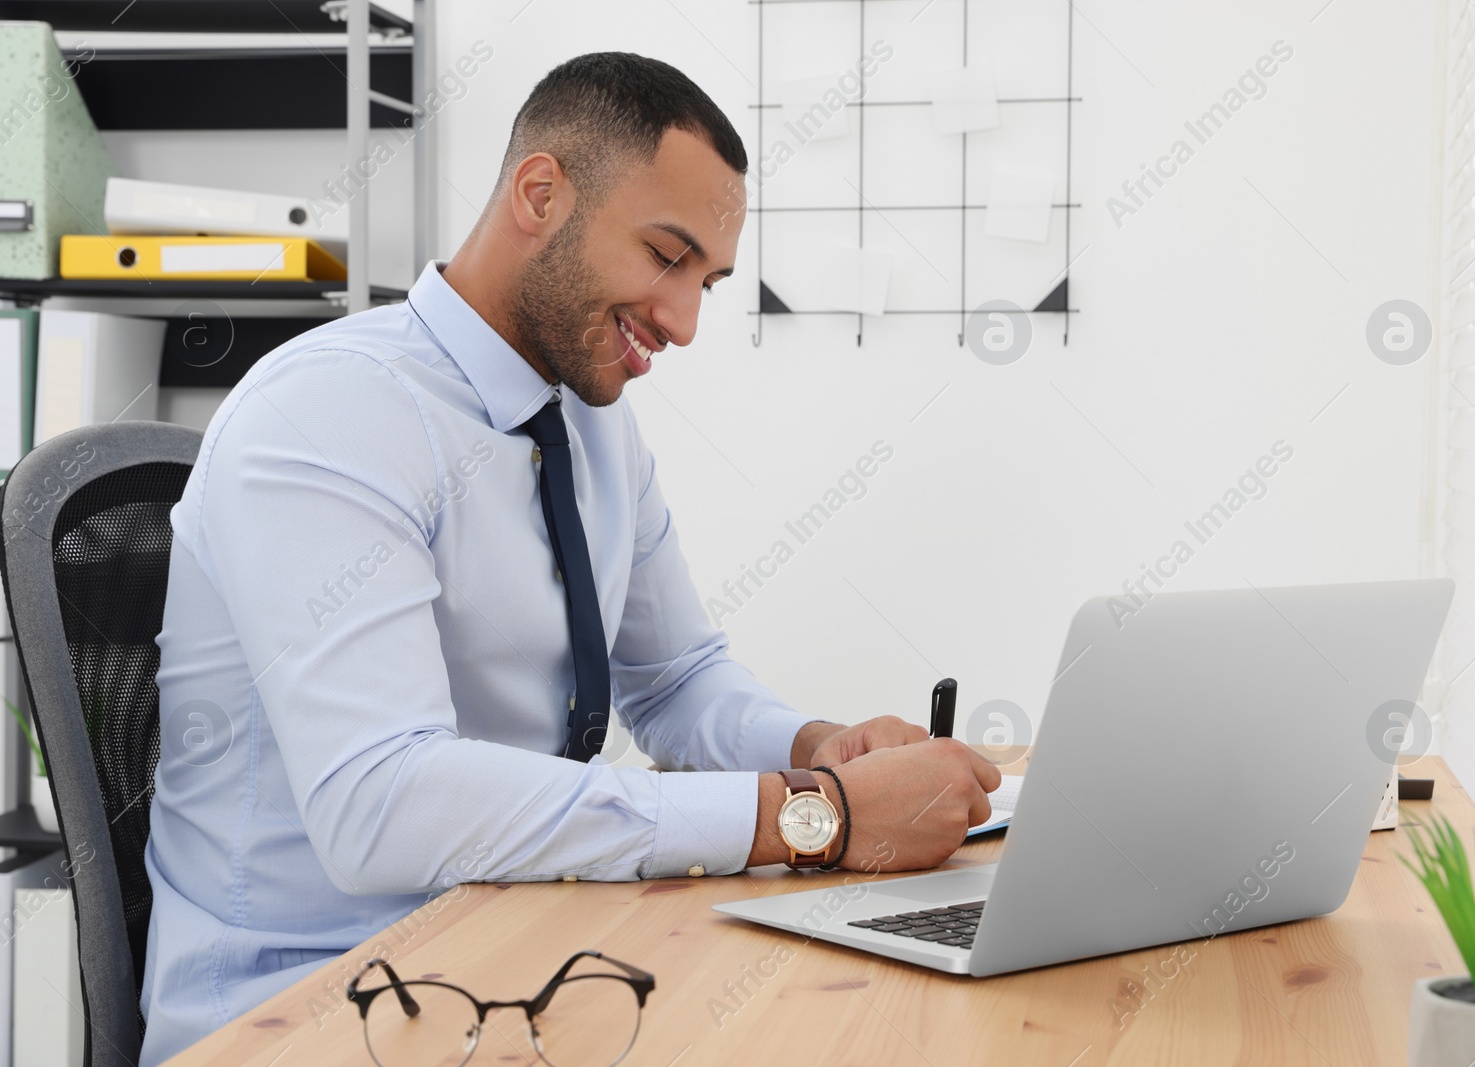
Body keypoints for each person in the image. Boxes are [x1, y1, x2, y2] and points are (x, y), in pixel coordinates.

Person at [137, 52, 999, 1065]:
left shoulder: (589, 424)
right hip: (308, 1008)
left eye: (706, 282)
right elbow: (380, 802)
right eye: (665, 257)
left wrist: (816, 747)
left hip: (514, 958)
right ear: (539, 193)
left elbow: (674, 680)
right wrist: (811, 817)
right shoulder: (328, 415)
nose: (682, 322)